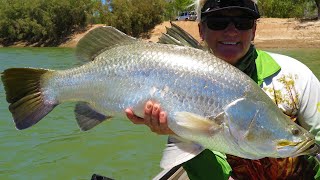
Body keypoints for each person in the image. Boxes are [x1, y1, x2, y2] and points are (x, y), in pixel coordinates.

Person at [125, 0, 320, 179]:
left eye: (242, 22)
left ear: (254, 30)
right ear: (201, 30)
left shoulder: (296, 76)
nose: (231, 31)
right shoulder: (180, 78)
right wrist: (178, 132)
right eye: (218, 21)